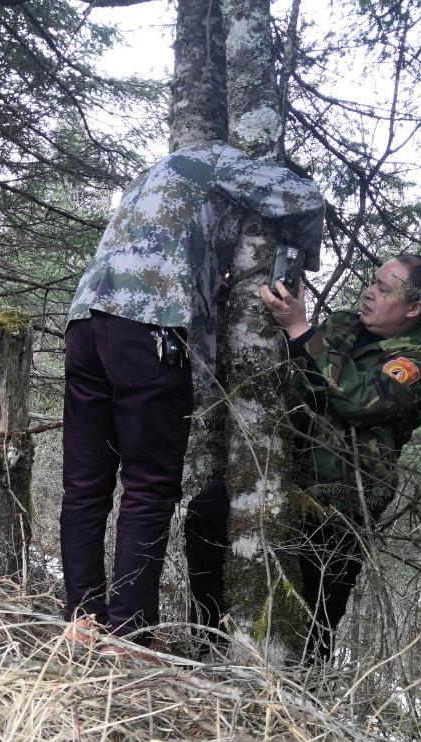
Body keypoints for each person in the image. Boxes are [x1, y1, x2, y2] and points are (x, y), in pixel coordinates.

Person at [60, 142, 325, 654]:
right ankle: (128, 635)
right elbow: (304, 197)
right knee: (149, 487)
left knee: (85, 485)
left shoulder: (158, 177)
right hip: (149, 326)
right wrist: (295, 263)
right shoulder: (223, 162)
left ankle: (81, 622)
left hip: (85, 322)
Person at [258, 255, 421, 660]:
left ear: (413, 308)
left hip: (344, 503)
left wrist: (300, 328)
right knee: (208, 517)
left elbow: (360, 401)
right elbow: (298, 376)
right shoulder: (342, 324)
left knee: (314, 622)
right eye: (372, 282)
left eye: (383, 288)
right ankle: (205, 649)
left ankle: (303, 690)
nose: (369, 292)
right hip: (283, 474)